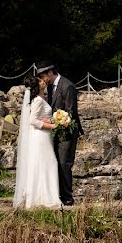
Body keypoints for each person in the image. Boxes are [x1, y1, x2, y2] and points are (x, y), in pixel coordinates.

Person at [12, 66, 62, 209]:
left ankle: (41, 196)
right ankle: (45, 197)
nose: (43, 81)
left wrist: (49, 121)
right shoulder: (38, 101)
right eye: (40, 81)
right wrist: (52, 126)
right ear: (37, 85)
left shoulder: (40, 98)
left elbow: (39, 117)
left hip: (43, 136)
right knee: (49, 162)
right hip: (40, 136)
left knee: (43, 163)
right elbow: (32, 120)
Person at [37, 62, 82, 206]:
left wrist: (53, 121)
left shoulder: (67, 86)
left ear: (50, 73)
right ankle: (56, 195)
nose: (42, 80)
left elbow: (70, 112)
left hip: (67, 132)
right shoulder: (49, 87)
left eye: (43, 76)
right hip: (54, 131)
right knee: (54, 163)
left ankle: (67, 198)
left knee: (64, 164)